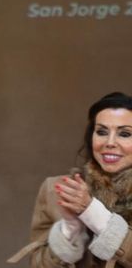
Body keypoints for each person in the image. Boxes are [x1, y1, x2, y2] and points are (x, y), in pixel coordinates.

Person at [9, 92, 132, 267]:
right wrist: (70, 229)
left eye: (125, 134)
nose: (109, 142)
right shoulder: (58, 189)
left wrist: (92, 213)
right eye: (101, 132)